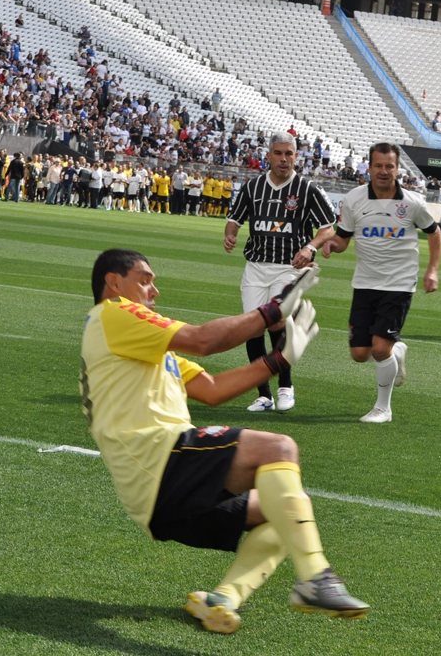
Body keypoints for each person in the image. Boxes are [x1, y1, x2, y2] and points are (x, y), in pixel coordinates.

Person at [81, 249, 368, 634]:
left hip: (153, 495)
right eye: (145, 279)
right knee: (279, 449)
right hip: (159, 459)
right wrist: (272, 311)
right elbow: (202, 340)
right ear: (114, 283)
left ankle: (223, 599)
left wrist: (279, 360)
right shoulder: (113, 313)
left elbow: (212, 390)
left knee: (286, 512)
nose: (155, 289)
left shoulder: (141, 344)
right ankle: (316, 578)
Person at [320, 142, 441, 423]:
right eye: (378, 165)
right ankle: (397, 349)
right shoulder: (353, 199)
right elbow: (343, 238)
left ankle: (383, 408)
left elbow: (434, 233)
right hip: (364, 283)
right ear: (370, 167)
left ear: (398, 169)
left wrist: (432, 270)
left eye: (390, 166)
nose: (384, 171)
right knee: (360, 354)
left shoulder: (412, 202)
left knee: (378, 349)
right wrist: (332, 246)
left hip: (398, 285)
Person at [224, 131, 337, 412]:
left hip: (289, 267)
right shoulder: (252, 188)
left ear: (296, 156)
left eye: (289, 154)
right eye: (278, 153)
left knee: (275, 321)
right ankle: (264, 395)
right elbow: (234, 218)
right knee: (252, 329)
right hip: (256, 267)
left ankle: (285, 386)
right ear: (268, 155)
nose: (284, 159)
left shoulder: (308, 189)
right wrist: (231, 234)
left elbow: (328, 228)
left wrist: (309, 248)